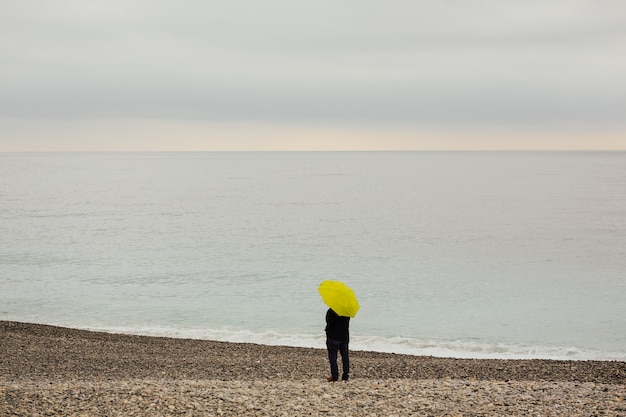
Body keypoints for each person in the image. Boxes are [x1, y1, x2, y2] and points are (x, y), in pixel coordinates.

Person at [325, 308, 350, 382]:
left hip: (333, 337)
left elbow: (329, 322)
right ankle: (345, 375)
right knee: (345, 357)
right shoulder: (347, 311)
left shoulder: (331, 311)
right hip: (344, 336)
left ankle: (335, 376)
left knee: (333, 357)